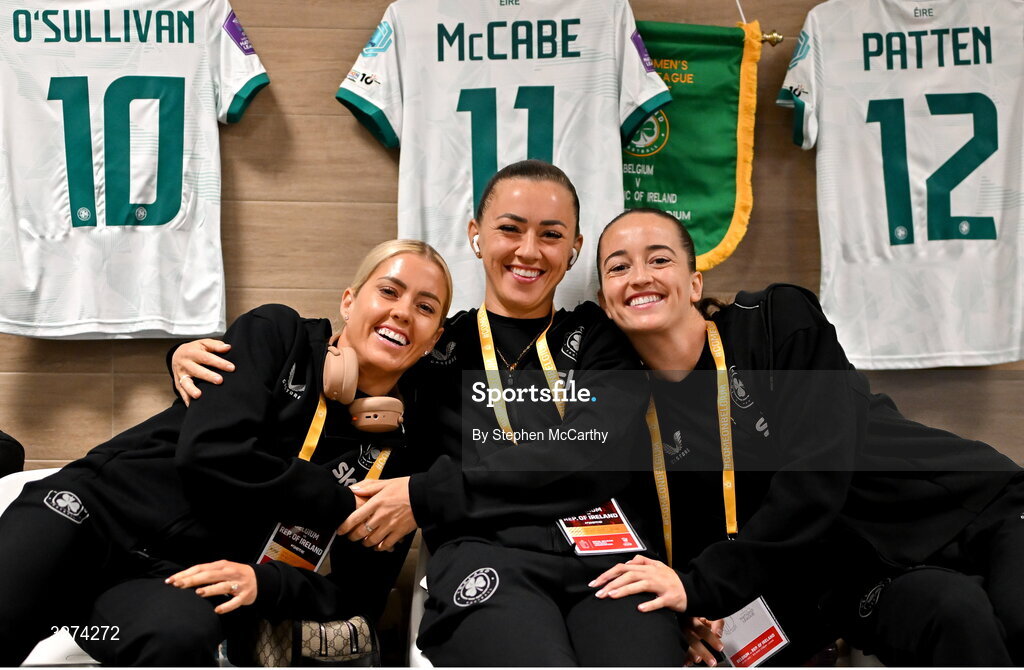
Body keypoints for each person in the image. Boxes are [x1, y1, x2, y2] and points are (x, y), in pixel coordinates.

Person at [172, 160, 689, 666]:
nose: (528, 251)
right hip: (489, 559)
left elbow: (588, 452)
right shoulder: (435, 347)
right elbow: (324, 374)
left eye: (551, 235)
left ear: (574, 250)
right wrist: (198, 358)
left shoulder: (601, 340)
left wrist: (428, 493)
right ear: (477, 235)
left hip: (609, 561)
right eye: (510, 229)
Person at [589, 208, 1024, 666]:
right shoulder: (635, 416)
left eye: (659, 260)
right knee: (953, 614)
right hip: (867, 577)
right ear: (604, 301)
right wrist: (684, 612)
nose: (639, 277)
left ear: (695, 284)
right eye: (619, 266)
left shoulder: (776, 321)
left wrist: (699, 588)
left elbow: (816, 478)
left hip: (975, 510)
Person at [0, 239, 452, 666]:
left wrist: (266, 583)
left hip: (163, 584)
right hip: (88, 517)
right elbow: (210, 454)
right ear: (349, 301)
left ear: (433, 339)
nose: (403, 312)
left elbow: (360, 593)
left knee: (180, 635)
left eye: (425, 307)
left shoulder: (403, 456)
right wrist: (338, 501)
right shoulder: (278, 334)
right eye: (389, 290)